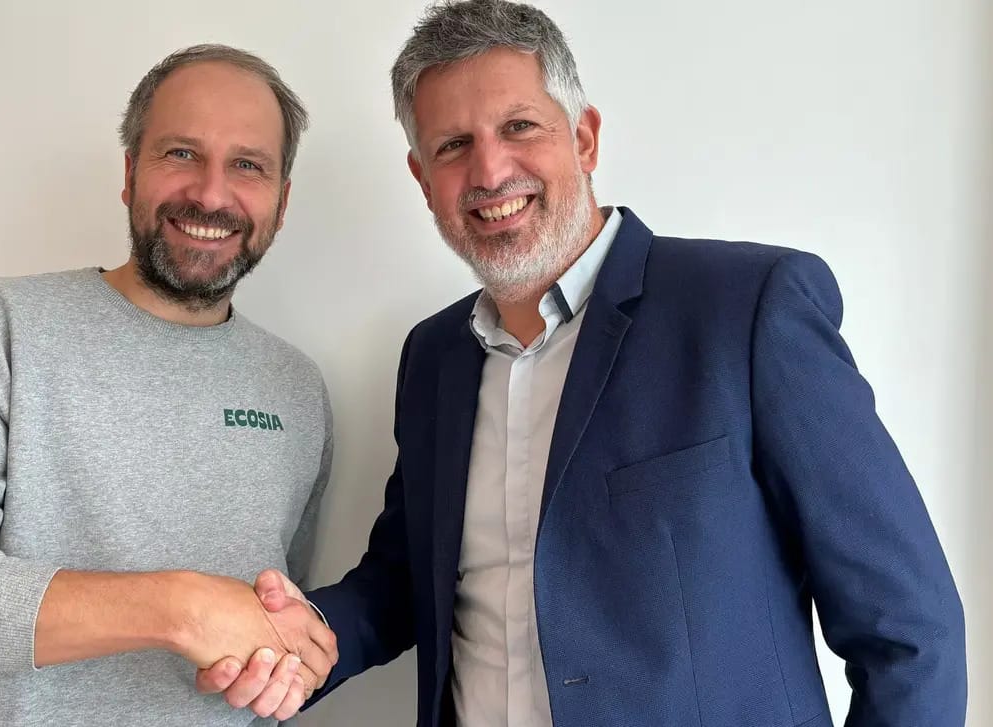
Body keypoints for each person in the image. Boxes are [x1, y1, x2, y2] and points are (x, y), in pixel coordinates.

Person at [198, 2, 967, 725]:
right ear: (423, 178)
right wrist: (300, 637)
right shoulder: (433, 358)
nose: (489, 171)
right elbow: (406, 578)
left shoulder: (747, 310)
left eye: (519, 126)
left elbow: (908, 631)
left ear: (585, 137)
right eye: (453, 145)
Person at [0, 44, 336, 727]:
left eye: (248, 165)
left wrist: (300, 650)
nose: (211, 194)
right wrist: (177, 607)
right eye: (181, 153)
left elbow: (270, 621)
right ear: (130, 172)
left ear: (282, 201)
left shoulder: (297, 389)